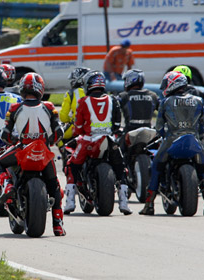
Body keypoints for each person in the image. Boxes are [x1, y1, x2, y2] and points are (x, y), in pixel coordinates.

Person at [0, 72, 66, 236]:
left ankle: (8, 186)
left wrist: (16, 141)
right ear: (40, 88)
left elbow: (5, 136)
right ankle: (58, 225)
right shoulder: (49, 107)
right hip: (44, 153)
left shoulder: (14, 108)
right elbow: (59, 132)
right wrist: (48, 143)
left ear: (22, 89)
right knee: (55, 187)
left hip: (22, 149)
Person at [139, 71, 204, 216]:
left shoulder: (165, 102)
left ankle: (149, 206)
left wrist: (167, 134)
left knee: (155, 167)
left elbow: (159, 128)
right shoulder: (198, 101)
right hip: (194, 141)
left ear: (172, 84)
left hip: (171, 141)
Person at [66, 71, 133, 215]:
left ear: (89, 85)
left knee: (72, 165)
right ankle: (124, 203)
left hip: (89, 140)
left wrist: (80, 132)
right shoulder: (113, 100)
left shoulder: (83, 101)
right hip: (109, 139)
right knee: (121, 168)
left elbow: (77, 127)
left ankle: (70, 202)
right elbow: (116, 123)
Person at [60, 66, 89, 213]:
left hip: (76, 130)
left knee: (60, 141)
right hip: (96, 131)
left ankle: (68, 167)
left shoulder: (71, 93)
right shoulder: (98, 93)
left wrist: (72, 119)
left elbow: (63, 117)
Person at [118, 69, 159, 135]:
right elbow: (164, 110)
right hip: (148, 134)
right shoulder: (153, 95)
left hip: (129, 135)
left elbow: (113, 109)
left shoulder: (124, 96)